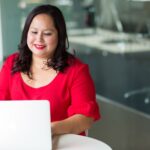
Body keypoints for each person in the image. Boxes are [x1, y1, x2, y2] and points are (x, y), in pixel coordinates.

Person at [0, 4, 100, 136]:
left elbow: (85, 118)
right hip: (19, 140)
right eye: (34, 32)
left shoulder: (77, 71)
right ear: (26, 33)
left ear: (60, 36)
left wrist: (49, 130)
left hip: (63, 142)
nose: (39, 39)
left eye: (47, 33)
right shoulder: (11, 63)